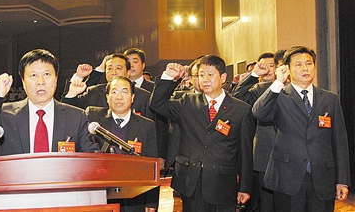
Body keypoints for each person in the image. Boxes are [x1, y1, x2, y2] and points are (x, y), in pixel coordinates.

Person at [149, 55, 254, 212]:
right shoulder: (187, 101)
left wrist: (245, 186)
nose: (205, 79)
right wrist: (168, 77)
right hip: (191, 180)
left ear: (223, 77)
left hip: (223, 182)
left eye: (210, 74)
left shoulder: (241, 109)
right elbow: (157, 104)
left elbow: (245, 151)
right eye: (201, 75)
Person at [252, 46, 350, 211]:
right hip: (287, 178)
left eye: (309, 63)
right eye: (298, 65)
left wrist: (342, 179)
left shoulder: (330, 99)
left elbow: (339, 141)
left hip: (322, 178)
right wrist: (278, 82)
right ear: (287, 69)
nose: (305, 68)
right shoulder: (279, 96)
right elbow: (259, 113)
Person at [0, 49, 99, 155]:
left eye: (47, 74)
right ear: (23, 81)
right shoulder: (5, 114)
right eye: (33, 75)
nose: (40, 81)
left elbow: (92, 156)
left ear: (56, 79)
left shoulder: (76, 117)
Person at [85, 76, 158, 212]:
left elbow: (152, 165)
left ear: (132, 97)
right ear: (107, 97)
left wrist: (152, 202)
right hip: (102, 195)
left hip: (135, 196)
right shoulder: (94, 119)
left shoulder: (146, 125)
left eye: (124, 92)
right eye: (114, 92)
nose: (119, 97)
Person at [232, 52, 279, 212]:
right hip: (262, 155)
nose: (268, 69)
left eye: (272, 66)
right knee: (263, 203)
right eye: (263, 66)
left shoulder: (287, 89)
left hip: (287, 155)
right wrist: (253, 75)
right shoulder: (254, 91)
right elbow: (237, 97)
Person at [62, 53, 153, 122]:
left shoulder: (143, 96)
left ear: (128, 72)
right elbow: (69, 110)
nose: (113, 72)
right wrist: (78, 78)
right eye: (109, 68)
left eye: (118, 68)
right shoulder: (93, 92)